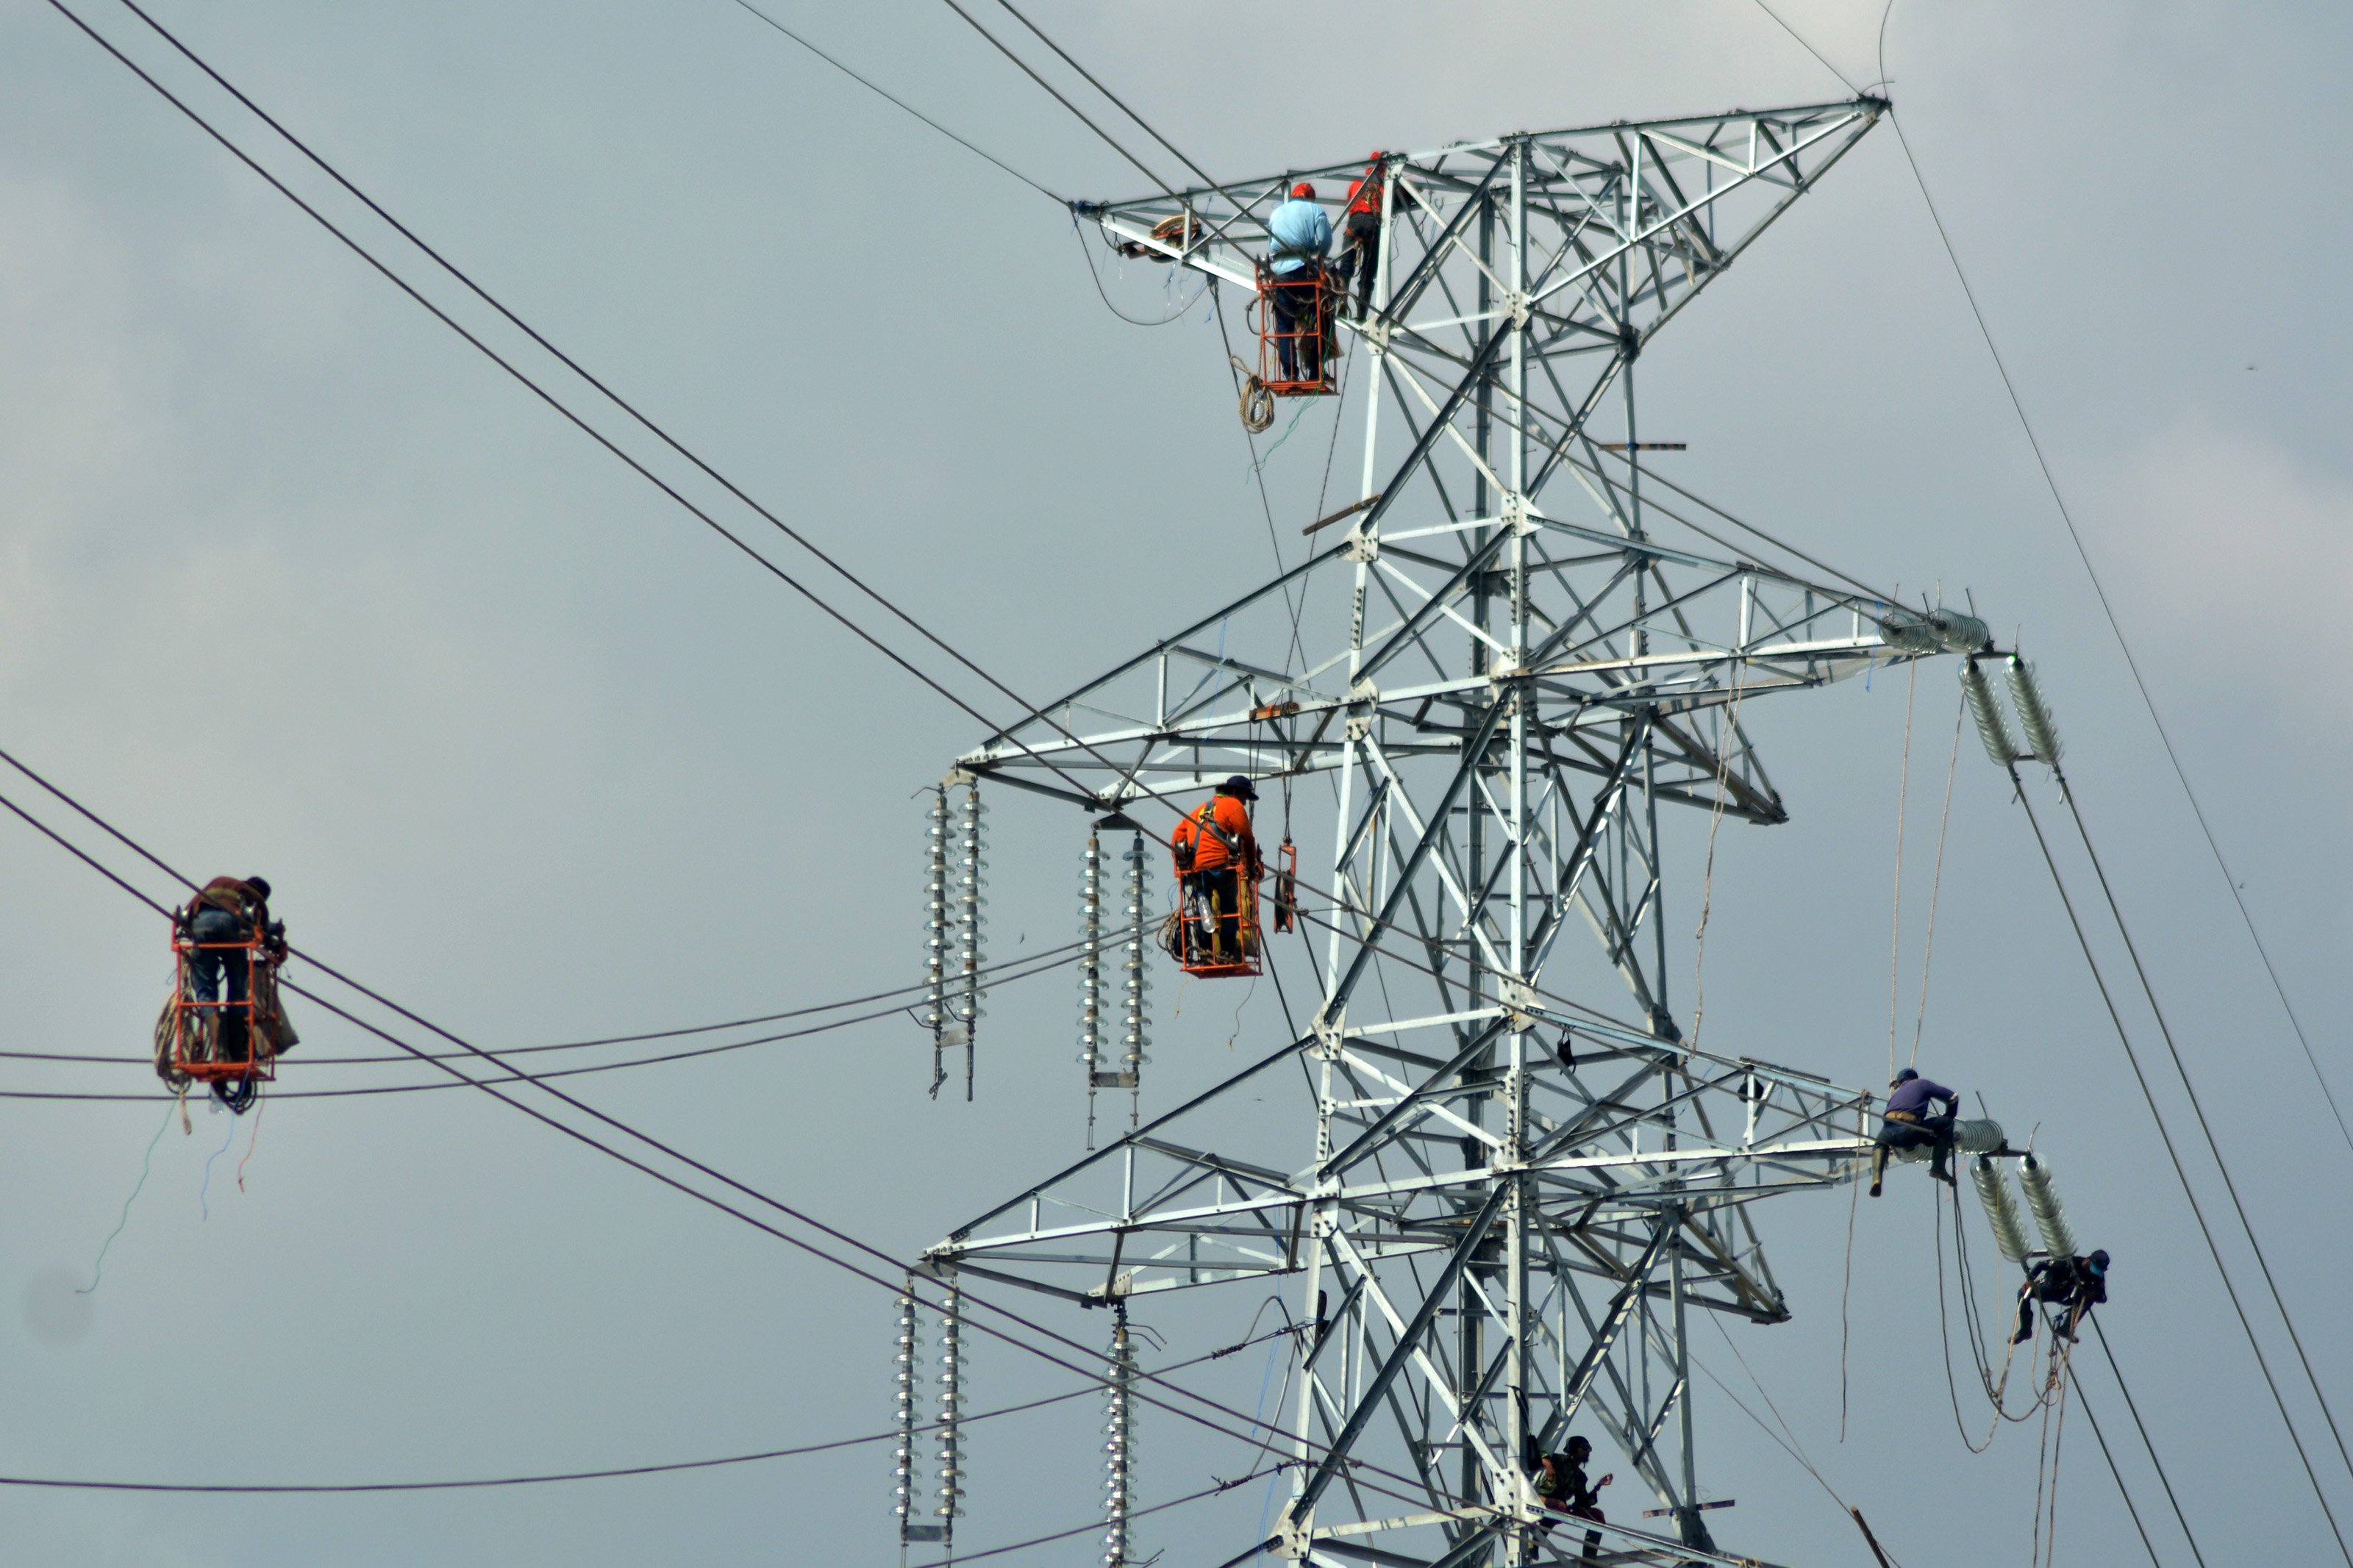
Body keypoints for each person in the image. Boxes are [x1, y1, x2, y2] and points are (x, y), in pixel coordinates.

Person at [179, 876, 278, 1064]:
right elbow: (262, 932)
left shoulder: (218, 881)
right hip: (229, 924)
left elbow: (186, 914)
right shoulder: (256, 898)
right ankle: (236, 1050)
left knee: (206, 992)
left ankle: (220, 1051)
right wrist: (276, 942)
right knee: (237, 987)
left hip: (201, 926)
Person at [1170, 776, 1262, 962]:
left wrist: (1180, 870)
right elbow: (1248, 838)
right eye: (1245, 797)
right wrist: (1251, 867)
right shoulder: (1233, 806)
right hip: (1221, 870)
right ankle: (1228, 952)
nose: (1245, 802)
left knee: (1202, 909)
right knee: (1229, 908)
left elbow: (1176, 839)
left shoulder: (1198, 810)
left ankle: (1205, 953)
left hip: (1197, 872)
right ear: (1235, 793)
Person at [1265, 182, 1332, 382]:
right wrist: (1319, 258)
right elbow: (1326, 241)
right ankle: (1315, 370)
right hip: (1305, 272)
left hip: (1281, 276)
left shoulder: (1276, 214)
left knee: (1285, 325)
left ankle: (1290, 373)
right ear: (1309, 197)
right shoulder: (1314, 210)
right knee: (1319, 317)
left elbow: (1271, 245)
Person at [1868, 1066, 1959, 1197]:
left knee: (1880, 1144)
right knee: (1947, 1124)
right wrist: (1948, 1118)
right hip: (1909, 1129)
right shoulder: (1922, 1084)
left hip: (1887, 1131)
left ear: (1900, 1083)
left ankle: (1877, 1179)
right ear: (1914, 1078)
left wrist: (1934, 1140)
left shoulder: (1896, 1095)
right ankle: (1938, 1168)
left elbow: (1924, 1137)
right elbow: (1953, 1098)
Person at [1532, 1436, 1613, 1560]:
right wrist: (1548, 1465)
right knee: (1559, 1507)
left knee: (1598, 1515)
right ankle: (1534, 1544)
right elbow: (1537, 1452)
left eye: (1589, 1449)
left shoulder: (1580, 1477)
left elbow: (1583, 1502)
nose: (1588, 1451)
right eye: (1585, 1448)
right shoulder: (1558, 1460)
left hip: (1561, 1508)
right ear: (1574, 1449)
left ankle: (1589, 1557)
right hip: (1541, 1500)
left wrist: (1598, 1486)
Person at [1332, 154, 1388, 321]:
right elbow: (1390, 204)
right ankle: (1361, 314)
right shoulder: (1383, 188)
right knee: (1368, 272)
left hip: (1354, 225)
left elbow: (1350, 201)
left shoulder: (1356, 183)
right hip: (1372, 224)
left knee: (1346, 266)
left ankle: (1342, 300)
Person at [2014, 1249, 2110, 1345]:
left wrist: (2092, 1294)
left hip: (2067, 1296)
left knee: (2089, 1299)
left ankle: (2066, 1329)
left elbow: (2103, 1297)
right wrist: (2030, 1279)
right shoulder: (2069, 1262)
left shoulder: (2097, 1277)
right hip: (2049, 1288)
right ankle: (2025, 1330)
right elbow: (2041, 1265)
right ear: (2088, 1260)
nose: (2091, 1272)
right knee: (2023, 1293)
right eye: (2091, 1268)